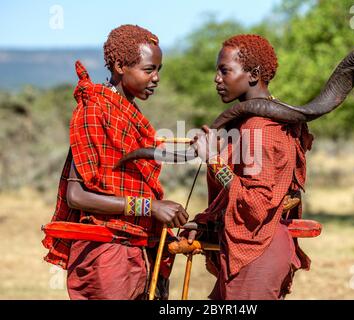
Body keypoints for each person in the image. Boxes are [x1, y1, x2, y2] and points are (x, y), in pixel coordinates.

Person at [42, 24, 189, 300]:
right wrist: (151, 207)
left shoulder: (127, 113)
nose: (156, 78)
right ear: (121, 66)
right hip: (103, 255)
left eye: (159, 70)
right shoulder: (94, 109)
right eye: (149, 70)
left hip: (131, 252)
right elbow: (76, 196)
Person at [186, 34, 313, 300]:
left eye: (224, 70)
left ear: (253, 74)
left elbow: (256, 202)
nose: (216, 79)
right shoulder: (254, 121)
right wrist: (207, 222)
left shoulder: (258, 128)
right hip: (255, 248)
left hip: (258, 252)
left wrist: (213, 159)